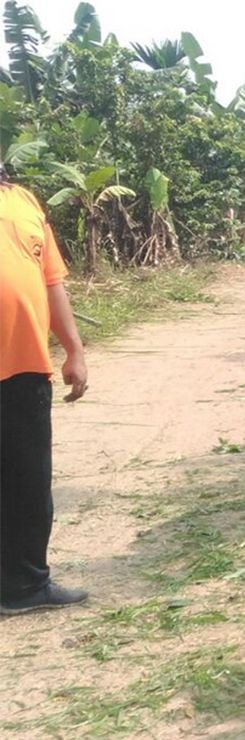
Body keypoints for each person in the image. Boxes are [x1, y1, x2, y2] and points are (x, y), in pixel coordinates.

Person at [1, 173, 90, 614]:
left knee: (28, 485)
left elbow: (51, 282)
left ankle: (23, 587)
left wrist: (74, 349)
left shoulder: (24, 201)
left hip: (23, 366)